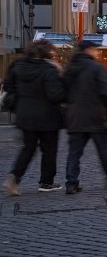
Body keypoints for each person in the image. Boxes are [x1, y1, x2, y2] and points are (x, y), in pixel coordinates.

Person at [62, 38, 107, 194]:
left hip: (75, 116)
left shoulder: (70, 69)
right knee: (103, 149)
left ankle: (71, 183)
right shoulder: (97, 68)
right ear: (88, 50)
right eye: (95, 49)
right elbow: (106, 92)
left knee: (74, 152)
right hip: (95, 115)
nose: (97, 52)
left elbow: (62, 92)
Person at [3, 39, 66, 195]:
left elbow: (8, 87)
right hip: (48, 117)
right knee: (49, 149)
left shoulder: (17, 66)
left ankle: (14, 178)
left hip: (24, 115)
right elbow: (55, 94)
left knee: (28, 148)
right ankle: (46, 182)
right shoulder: (49, 70)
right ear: (47, 53)